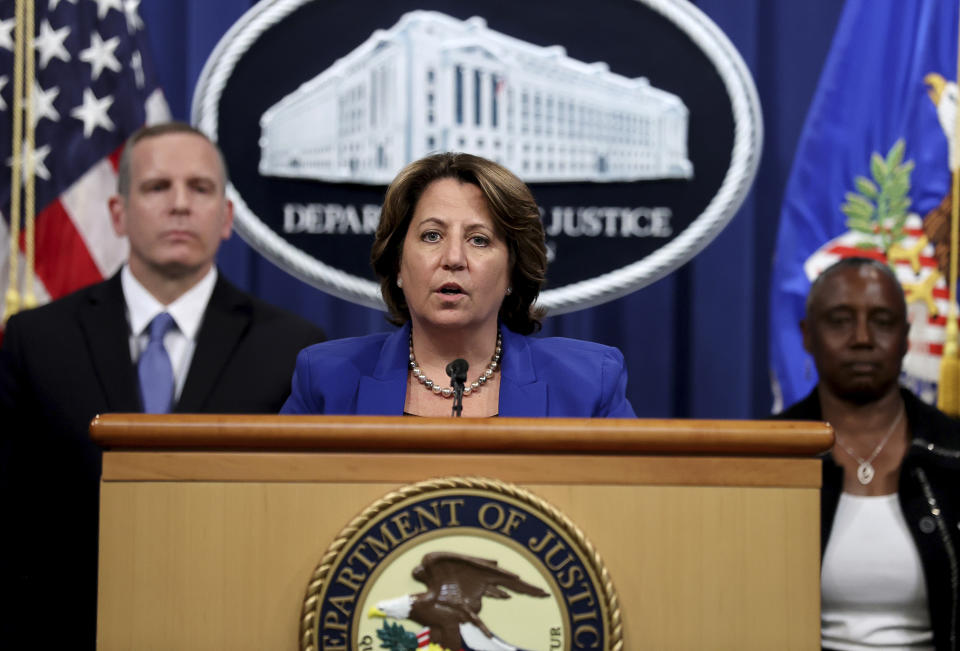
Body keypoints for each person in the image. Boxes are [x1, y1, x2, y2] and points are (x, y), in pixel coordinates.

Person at [0, 122, 325, 648]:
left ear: (225, 218)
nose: (179, 205)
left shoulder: (292, 348)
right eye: (156, 187)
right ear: (117, 213)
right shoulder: (37, 340)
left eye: (199, 188)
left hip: (232, 628)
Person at [281, 152, 635, 418]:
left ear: (513, 270)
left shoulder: (588, 385)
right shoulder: (326, 380)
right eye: (431, 235)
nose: (453, 257)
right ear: (398, 264)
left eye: (479, 240)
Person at [779, 257, 960, 651]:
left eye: (882, 321)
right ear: (807, 335)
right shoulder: (770, 453)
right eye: (840, 320)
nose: (862, 337)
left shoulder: (953, 452)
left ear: (906, 336)